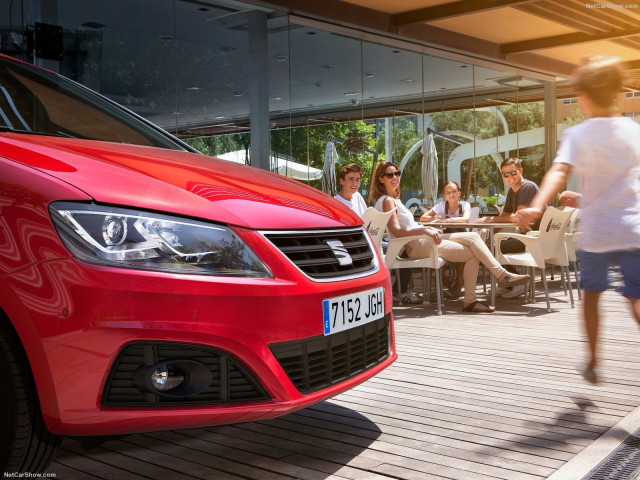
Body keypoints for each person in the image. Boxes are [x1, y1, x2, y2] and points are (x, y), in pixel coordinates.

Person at [515, 55, 640, 384]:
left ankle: (595, 361)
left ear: (583, 97)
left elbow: (559, 172)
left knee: (591, 296)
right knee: (638, 298)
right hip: (634, 229)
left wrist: (536, 206)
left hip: (598, 233)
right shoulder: (633, 130)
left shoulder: (579, 134)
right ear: (615, 94)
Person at [371, 161, 529, 313]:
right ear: (381, 178)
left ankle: (488, 287)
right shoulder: (387, 201)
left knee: (473, 237)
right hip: (416, 245)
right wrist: (425, 231)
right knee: (473, 250)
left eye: (397, 173)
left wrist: (424, 228)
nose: (395, 177)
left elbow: (406, 227)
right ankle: (487, 287)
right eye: (390, 175)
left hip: (422, 241)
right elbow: (397, 231)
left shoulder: (392, 200)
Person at [475, 157, 541, 299]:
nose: (509, 177)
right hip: (525, 236)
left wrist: (488, 219)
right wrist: (490, 233)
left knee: (490, 248)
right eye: (506, 174)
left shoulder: (527, 187)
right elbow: (505, 216)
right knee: (485, 246)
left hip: (534, 238)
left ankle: (518, 283)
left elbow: (517, 217)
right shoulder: (512, 192)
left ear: (520, 171)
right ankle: (511, 283)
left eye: (513, 173)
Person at [421, 180, 470, 297]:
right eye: (448, 192)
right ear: (444, 195)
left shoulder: (464, 205)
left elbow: (466, 219)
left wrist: (447, 220)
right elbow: (423, 218)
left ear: (459, 193)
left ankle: (459, 283)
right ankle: (443, 277)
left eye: (454, 191)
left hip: (461, 236)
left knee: (462, 251)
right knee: (436, 245)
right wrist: (436, 219)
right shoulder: (442, 205)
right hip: (446, 238)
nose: (451, 194)